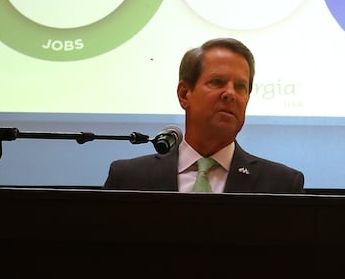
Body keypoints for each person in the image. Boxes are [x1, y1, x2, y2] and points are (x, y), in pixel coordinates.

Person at [103, 37, 305, 193]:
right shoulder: (128, 179)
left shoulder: (282, 185)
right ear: (184, 94)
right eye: (217, 82)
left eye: (240, 86)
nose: (230, 94)